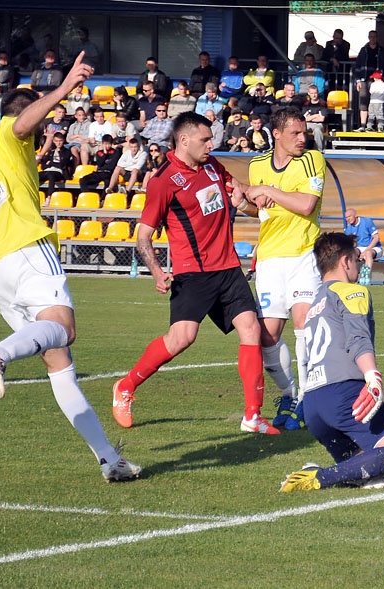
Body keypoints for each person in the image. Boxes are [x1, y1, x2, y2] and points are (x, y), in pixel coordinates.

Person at [0, 52, 141, 482]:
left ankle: (109, 458)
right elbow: (19, 122)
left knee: (58, 358)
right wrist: (65, 88)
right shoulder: (7, 132)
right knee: (65, 328)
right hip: (26, 248)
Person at [111, 111, 277, 435]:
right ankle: (126, 386)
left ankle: (253, 416)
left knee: (251, 330)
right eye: (205, 139)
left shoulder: (213, 166)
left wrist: (256, 197)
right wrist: (158, 272)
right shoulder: (163, 181)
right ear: (183, 140)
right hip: (193, 273)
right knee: (182, 338)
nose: (211, 144)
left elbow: (241, 193)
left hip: (229, 268)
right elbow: (143, 235)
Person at [279, 232, 384, 492]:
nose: (360, 264)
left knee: (363, 467)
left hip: (314, 405)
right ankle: (320, 478)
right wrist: (372, 377)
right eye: (357, 258)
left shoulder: (314, 304)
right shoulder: (352, 291)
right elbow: (358, 339)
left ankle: (320, 472)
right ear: (345, 261)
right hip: (344, 396)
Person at [241, 107, 326, 431]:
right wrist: (245, 203)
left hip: (304, 255)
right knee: (266, 336)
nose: (302, 138)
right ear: (276, 134)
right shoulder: (258, 164)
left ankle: (308, 398)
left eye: (304, 132)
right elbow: (261, 211)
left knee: (304, 326)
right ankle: (290, 393)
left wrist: (268, 191)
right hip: (271, 259)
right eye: (295, 133)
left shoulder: (312, 160)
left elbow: (306, 205)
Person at [354, 30, 384, 132]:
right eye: (371, 37)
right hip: (364, 78)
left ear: (377, 38)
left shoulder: (382, 51)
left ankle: (378, 125)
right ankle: (363, 125)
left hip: (377, 80)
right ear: (368, 37)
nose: (373, 39)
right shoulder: (363, 50)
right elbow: (358, 65)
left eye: (374, 37)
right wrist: (358, 81)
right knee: (363, 101)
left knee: (377, 102)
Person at [302, 85, 329, 151]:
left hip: (319, 125)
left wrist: (310, 117)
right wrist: (316, 115)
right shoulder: (306, 104)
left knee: (317, 130)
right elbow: (304, 119)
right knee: (303, 129)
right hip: (308, 124)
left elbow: (321, 119)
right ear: (308, 93)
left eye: (315, 93)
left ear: (318, 93)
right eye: (312, 93)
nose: (314, 95)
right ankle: (303, 149)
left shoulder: (322, 104)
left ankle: (319, 150)